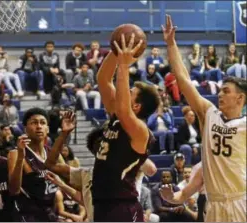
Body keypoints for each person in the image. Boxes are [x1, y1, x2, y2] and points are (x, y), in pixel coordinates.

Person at [162, 14, 246, 222]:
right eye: (220, 90)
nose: (219, 94)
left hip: (240, 200)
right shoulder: (209, 113)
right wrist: (171, 44)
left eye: (226, 91)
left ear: (240, 98)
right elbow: (183, 81)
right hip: (214, 203)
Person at [91, 33, 160, 222]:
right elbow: (104, 79)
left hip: (122, 206)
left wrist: (123, 64)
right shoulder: (118, 117)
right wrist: (117, 51)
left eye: (130, 93)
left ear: (136, 106)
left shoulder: (141, 131)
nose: (124, 94)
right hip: (103, 202)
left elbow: (123, 109)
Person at [45, 112, 157, 222]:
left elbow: (151, 169)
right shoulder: (85, 173)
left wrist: (125, 147)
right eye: (99, 145)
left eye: (106, 144)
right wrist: (64, 134)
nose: (102, 148)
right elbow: (50, 164)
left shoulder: (129, 166)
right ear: (94, 151)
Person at [7, 107, 67, 221]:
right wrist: (21, 157)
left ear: (47, 129)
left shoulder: (54, 155)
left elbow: (70, 182)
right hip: (28, 216)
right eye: (34, 123)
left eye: (42, 123)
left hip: (52, 214)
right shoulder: (15, 153)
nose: (39, 126)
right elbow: (14, 190)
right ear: (25, 129)